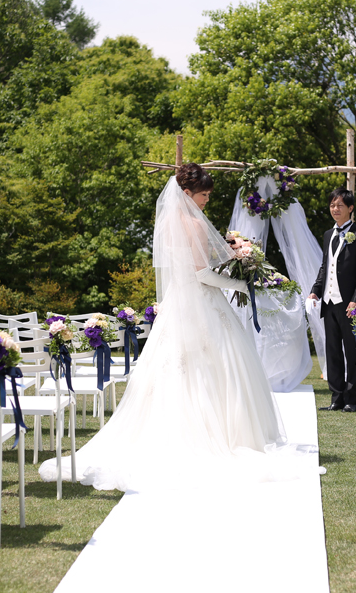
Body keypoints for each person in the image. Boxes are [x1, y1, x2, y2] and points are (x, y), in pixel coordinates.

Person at [40, 164, 308, 492]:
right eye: (204, 195)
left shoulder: (167, 222)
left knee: (175, 369)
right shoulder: (193, 223)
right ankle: (222, 437)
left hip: (178, 303)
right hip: (201, 302)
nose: (207, 200)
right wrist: (238, 283)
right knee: (217, 369)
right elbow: (202, 273)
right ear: (187, 194)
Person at [309, 187, 356, 412]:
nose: (335, 209)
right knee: (332, 351)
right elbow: (326, 266)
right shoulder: (328, 234)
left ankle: (352, 399)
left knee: (351, 352)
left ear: (350, 208)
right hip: (328, 302)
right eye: (332, 205)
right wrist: (315, 289)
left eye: (340, 205)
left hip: (348, 305)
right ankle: (336, 398)